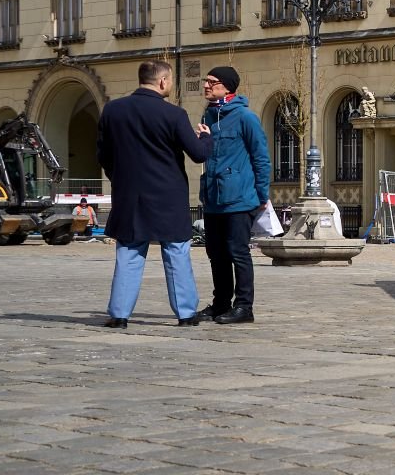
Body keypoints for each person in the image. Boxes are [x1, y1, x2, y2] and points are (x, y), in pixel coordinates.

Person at [97, 59, 213, 328]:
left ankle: (120, 315)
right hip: (167, 196)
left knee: (128, 252)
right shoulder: (174, 114)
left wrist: (120, 179)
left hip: (129, 194)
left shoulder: (113, 110)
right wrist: (207, 138)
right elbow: (198, 154)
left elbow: (103, 154)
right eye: (170, 80)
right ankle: (185, 314)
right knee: (176, 252)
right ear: (162, 81)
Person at [197, 65, 271, 325]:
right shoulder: (208, 115)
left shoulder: (245, 117)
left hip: (239, 198)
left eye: (211, 81)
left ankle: (244, 307)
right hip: (213, 198)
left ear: (226, 86)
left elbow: (261, 158)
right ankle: (220, 304)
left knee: (238, 252)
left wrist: (261, 195)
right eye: (206, 80)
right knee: (216, 253)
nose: (206, 85)